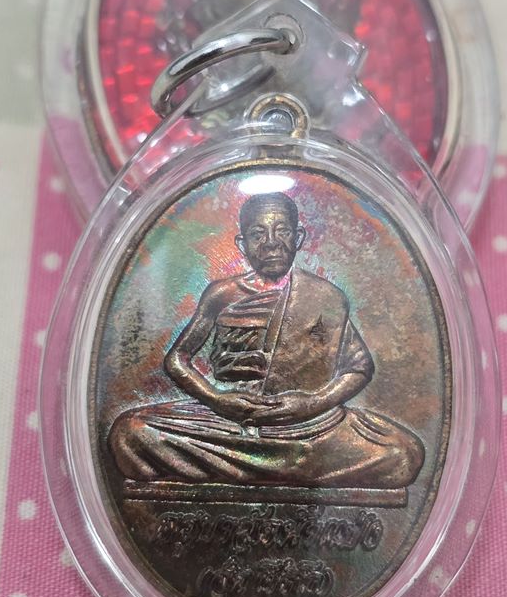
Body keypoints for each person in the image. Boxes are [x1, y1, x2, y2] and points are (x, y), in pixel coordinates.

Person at [109, 192, 424, 489]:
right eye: (258, 234)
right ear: (242, 244)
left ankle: (258, 469)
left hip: (309, 426)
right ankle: (285, 469)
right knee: (131, 434)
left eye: (282, 231)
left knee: (403, 453)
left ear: (298, 238)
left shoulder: (324, 297)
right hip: (231, 424)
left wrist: (313, 403)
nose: (272, 243)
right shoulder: (222, 294)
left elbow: (359, 367)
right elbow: (177, 359)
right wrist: (216, 399)